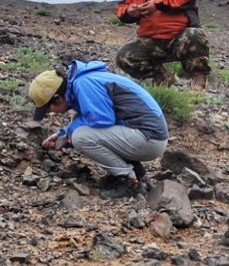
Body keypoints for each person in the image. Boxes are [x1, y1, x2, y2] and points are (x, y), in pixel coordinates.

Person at [29, 60, 168, 198]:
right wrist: (63, 134)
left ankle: (129, 182)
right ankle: (137, 172)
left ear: (57, 98)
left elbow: (102, 120)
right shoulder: (83, 81)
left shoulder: (84, 84)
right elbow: (94, 119)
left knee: (80, 137)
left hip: (150, 138)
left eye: (49, 109)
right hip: (147, 134)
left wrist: (70, 133)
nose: (52, 113)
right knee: (78, 124)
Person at [114, 0, 211, 89]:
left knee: (195, 35)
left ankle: (198, 79)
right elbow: (121, 8)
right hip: (151, 39)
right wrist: (129, 12)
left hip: (179, 36)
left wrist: (158, 4)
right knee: (124, 56)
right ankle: (165, 80)